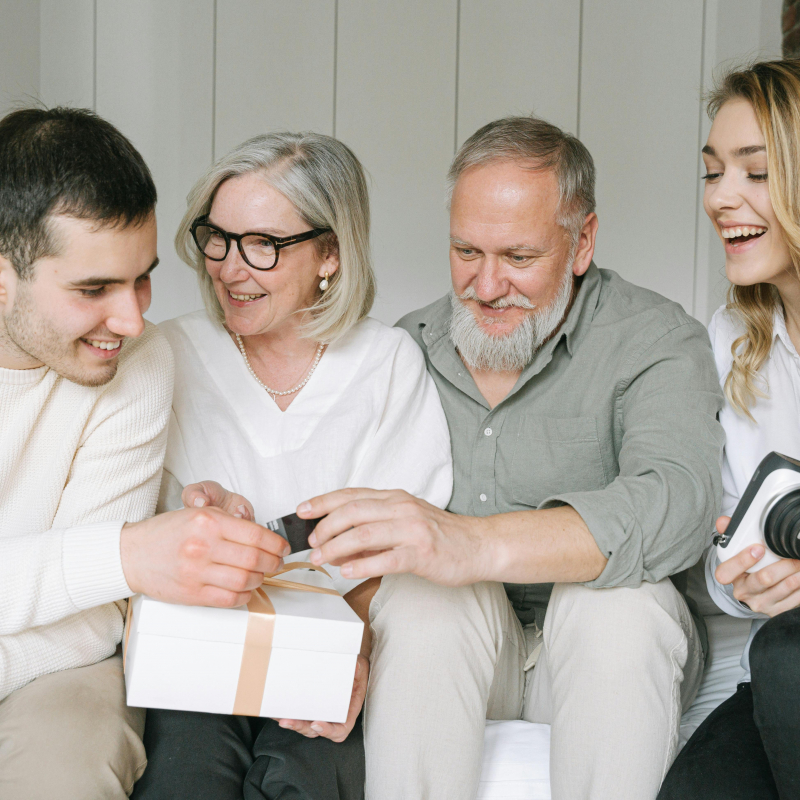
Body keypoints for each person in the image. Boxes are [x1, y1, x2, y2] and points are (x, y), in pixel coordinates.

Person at [298, 116, 726, 800]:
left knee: (620, 607)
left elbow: (676, 505)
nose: (486, 285)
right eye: (466, 251)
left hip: (601, 653)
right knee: (420, 597)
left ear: (582, 241)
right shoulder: (405, 348)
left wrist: (471, 543)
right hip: (461, 654)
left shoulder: (654, 337)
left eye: (518, 258)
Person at [131, 131, 452, 800]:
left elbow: (393, 560)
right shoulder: (167, 354)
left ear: (330, 252)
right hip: (196, 643)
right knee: (184, 779)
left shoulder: (386, 365)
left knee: (301, 780)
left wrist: (357, 656)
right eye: (216, 238)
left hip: (324, 652)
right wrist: (195, 518)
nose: (229, 267)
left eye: (264, 246)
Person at [0, 107, 291, 800]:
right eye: (93, 289)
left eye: (143, 279)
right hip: (38, 635)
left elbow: (94, 617)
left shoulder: (140, 359)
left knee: (70, 760)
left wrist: (107, 567)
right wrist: (127, 554)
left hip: (62, 662)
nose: (131, 319)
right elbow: (106, 568)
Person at [659, 60, 800, 800]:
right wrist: (746, 578)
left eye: (755, 172)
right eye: (713, 172)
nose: (720, 198)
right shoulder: (732, 340)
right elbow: (722, 544)